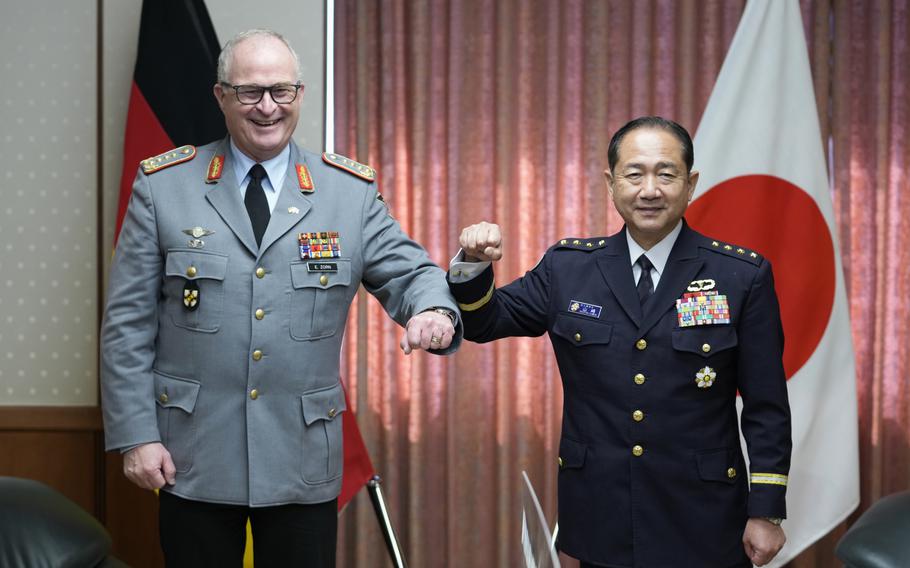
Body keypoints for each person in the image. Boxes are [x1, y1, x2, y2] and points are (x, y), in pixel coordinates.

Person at [101, 29, 460, 567]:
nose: (267, 107)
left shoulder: (348, 192)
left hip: (301, 461)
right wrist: (136, 436)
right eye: (249, 92)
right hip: (191, 460)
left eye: (281, 91)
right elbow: (127, 325)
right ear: (221, 96)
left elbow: (411, 272)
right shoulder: (164, 186)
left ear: (300, 94)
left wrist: (433, 308)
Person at [449, 116, 791, 567]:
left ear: (690, 184)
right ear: (611, 183)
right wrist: (472, 265)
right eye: (634, 174)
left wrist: (766, 511)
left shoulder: (740, 276)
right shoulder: (568, 269)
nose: (650, 189)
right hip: (602, 514)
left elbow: (767, 405)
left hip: (704, 516)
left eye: (666, 174)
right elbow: (485, 322)